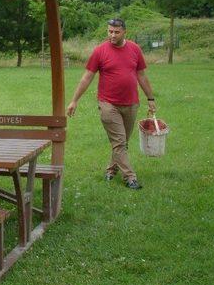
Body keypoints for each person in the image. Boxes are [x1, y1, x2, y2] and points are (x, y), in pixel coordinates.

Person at [66, 18, 156, 190]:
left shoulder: (135, 49)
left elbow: (142, 76)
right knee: (120, 141)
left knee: (121, 142)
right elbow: (87, 77)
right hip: (108, 104)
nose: (112, 35)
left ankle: (110, 170)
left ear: (124, 32)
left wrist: (150, 99)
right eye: (109, 31)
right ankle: (130, 177)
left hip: (131, 103)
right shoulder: (100, 51)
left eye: (116, 32)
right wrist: (74, 100)